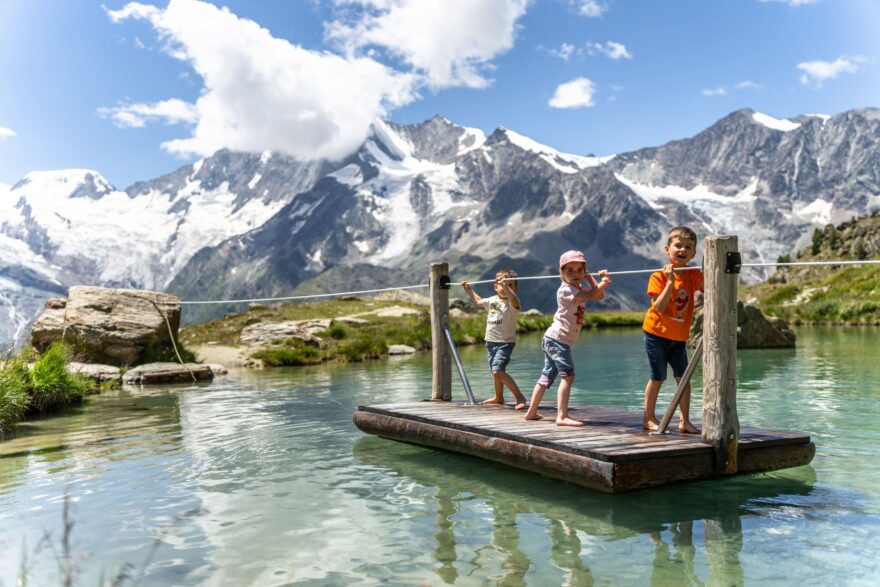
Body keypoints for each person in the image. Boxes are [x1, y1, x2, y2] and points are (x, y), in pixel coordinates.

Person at [523, 251, 610, 426]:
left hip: (556, 340)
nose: (576, 274)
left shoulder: (578, 287)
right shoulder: (566, 290)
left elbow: (599, 296)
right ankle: (561, 416)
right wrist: (603, 282)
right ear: (561, 273)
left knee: (547, 376)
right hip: (557, 340)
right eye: (570, 270)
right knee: (568, 376)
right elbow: (593, 295)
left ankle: (531, 412)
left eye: (580, 270)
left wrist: (593, 279)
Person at [642, 226, 704, 434]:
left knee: (683, 378)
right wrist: (670, 282)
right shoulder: (658, 276)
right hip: (656, 334)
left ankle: (684, 421)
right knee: (658, 376)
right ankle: (648, 418)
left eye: (688, 247)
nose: (682, 250)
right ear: (668, 249)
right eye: (678, 245)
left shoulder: (693, 274)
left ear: (693, 254)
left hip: (678, 337)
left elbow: (711, 287)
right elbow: (658, 307)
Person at [460, 269, 528, 409]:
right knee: (495, 372)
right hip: (490, 342)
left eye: (510, 286)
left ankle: (520, 397)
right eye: (501, 285)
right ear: (495, 286)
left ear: (515, 289)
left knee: (498, 371)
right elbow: (478, 302)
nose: (505, 288)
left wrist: (505, 286)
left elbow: (514, 300)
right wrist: (468, 290)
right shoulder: (492, 300)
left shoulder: (512, 303)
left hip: (505, 343)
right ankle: (499, 397)